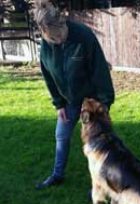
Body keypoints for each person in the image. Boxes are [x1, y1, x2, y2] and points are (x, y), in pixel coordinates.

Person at [33, 1, 115, 189]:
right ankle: (57, 175)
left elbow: (100, 69)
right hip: (69, 101)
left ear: (63, 23)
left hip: (92, 101)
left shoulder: (83, 36)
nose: (58, 40)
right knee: (61, 135)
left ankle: (102, 184)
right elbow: (49, 76)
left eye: (60, 35)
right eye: (53, 39)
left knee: (99, 143)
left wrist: (104, 103)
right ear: (44, 34)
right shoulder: (46, 46)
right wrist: (59, 104)